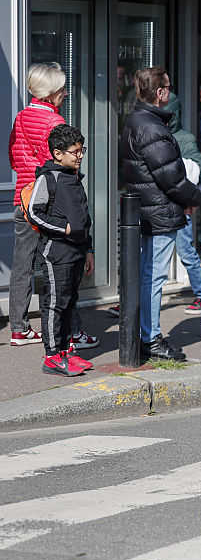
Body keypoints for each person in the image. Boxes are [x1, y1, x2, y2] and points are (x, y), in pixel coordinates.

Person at [8, 63, 98, 350]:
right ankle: (72, 333)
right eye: (62, 89)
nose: (66, 93)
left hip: (23, 197)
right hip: (52, 204)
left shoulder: (21, 117)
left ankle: (19, 329)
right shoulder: (55, 124)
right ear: (50, 93)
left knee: (22, 267)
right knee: (64, 268)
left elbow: (13, 157)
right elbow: (61, 168)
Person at [121, 66, 201, 362]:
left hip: (148, 208)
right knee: (153, 276)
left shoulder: (136, 119)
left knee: (147, 275)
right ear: (160, 93)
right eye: (167, 87)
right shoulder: (152, 126)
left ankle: (146, 333)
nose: (170, 91)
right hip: (159, 211)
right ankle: (150, 337)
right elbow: (171, 176)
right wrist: (194, 197)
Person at [25, 124, 95, 376]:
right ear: (57, 154)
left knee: (69, 303)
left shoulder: (74, 178)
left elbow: (85, 218)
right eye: (76, 151)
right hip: (57, 253)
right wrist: (63, 229)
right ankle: (52, 356)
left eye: (81, 150)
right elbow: (34, 213)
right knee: (55, 304)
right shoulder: (48, 178)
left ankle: (65, 351)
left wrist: (89, 250)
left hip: (77, 252)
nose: (80, 155)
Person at [166, 92, 201, 314]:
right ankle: (133, 300)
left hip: (180, 207)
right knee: (148, 256)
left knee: (186, 252)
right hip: (159, 206)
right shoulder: (154, 132)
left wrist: (188, 192)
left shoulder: (184, 138)